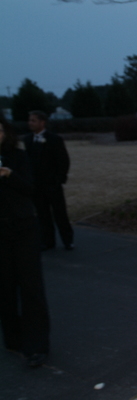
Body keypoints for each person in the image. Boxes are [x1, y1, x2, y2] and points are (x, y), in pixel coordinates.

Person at [0, 115, 51, 368]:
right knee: (5, 288)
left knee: (31, 288)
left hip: (24, 228)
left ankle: (37, 346)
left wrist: (9, 174)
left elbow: (31, 189)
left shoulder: (18, 156)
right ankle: (13, 339)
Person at [23, 110, 74, 250]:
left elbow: (63, 161)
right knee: (42, 214)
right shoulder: (27, 140)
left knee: (60, 213)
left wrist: (59, 180)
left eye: (33, 120)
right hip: (36, 185)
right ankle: (47, 241)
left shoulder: (54, 139)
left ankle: (68, 240)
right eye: (29, 120)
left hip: (52, 184)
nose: (30, 123)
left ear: (42, 122)